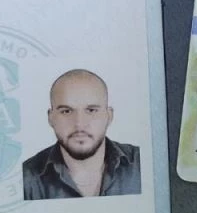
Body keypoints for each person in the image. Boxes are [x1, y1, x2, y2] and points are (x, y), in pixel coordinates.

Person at [23, 69, 140, 200]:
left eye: (91, 110)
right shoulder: (26, 178)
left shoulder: (142, 163)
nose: (79, 124)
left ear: (109, 116)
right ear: (51, 118)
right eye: (66, 111)